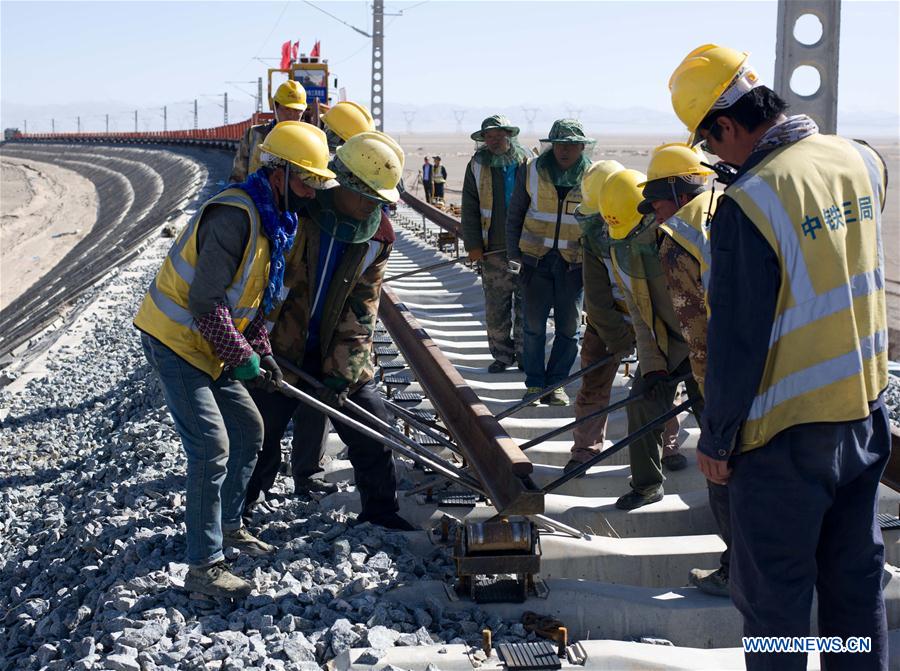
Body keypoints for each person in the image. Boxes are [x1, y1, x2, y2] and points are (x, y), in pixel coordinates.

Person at [672, 44, 890, 670]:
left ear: (727, 126)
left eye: (711, 146)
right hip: (862, 414)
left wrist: (716, 440)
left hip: (783, 439)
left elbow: (738, 339)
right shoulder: (860, 160)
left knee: (777, 605)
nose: (715, 159)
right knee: (853, 586)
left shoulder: (750, 202)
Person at [134, 121, 337, 598]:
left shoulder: (272, 221)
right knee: (210, 447)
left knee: (249, 431)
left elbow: (248, 301)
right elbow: (207, 301)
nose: (312, 192)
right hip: (177, 341)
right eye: (307, 180)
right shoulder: (235, 216)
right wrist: (239, 356)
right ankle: (203, 567)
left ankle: (228, 525)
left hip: (208, 344)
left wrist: (261, 353)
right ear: (280, 173)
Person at [244, 130, 415, 532]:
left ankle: (380, 511)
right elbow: (259, 284)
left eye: (380, 200)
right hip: (279, 343)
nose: (372, 206)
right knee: (258, 431)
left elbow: (363, 308)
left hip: (334, 348)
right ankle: (239, 511)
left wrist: (343, 372)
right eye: (367, 196)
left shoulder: (378, 235)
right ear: (343, 184)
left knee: (372, 424)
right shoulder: (299, 210)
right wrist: (260, 346)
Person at [636, 142, 730, 597]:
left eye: (655, 199)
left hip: (729, 378)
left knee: (726, 476)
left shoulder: (677, 240)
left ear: (677, 189)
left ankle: (738, 569)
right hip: (782, 367)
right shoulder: (735, 205)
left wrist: (713, 412)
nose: (653, 211)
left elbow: (699, 336)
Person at [599, 169, 699, 510]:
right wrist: (654, 367)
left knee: (716, 417)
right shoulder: (621, 251)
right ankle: (646, 485)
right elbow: (641, 317)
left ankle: (733, 497)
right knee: (642, 403)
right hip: (667, 345)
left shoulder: (690, 239)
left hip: (706, 345)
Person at [507, 119, 592, 406]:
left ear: (582, 146)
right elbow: (515, 213)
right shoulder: (530, 170)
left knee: (569, 329)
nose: (565, 151)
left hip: (573, 266)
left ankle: (556, 384)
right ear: (551, 145)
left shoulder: (592, 176)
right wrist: (513, 255)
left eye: (571, 145)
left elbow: (596, 224)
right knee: (533, 326)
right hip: (535, 262)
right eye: (560, 145)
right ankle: (534, 384)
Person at [565, 160, 635, 470]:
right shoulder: (593, 239)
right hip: (606, 324)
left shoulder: (650, 228)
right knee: (593, 387)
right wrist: (619, 338)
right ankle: (585, 451)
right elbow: (596, 296)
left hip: (650, 321)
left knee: (661, 386)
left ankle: (668, 447)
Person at [461, 115, 532, 373]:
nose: (493, 141)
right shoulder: (477, 165)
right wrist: (473, 245)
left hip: (526, 250)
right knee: (496, 306)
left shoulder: (528, 162)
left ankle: (526, 355)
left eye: (498, 135)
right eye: (488, 137)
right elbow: (469, 207)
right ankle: (502, 355)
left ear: (509, 136)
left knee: (526, 306)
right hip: (493, 250)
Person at [230, 80, 308, 182]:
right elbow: (237, 176)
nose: (291, 115)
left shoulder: (309, 141)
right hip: (256, 195)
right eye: (287, 109)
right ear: (276, 107)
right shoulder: (254, 135)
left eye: (297, 111)